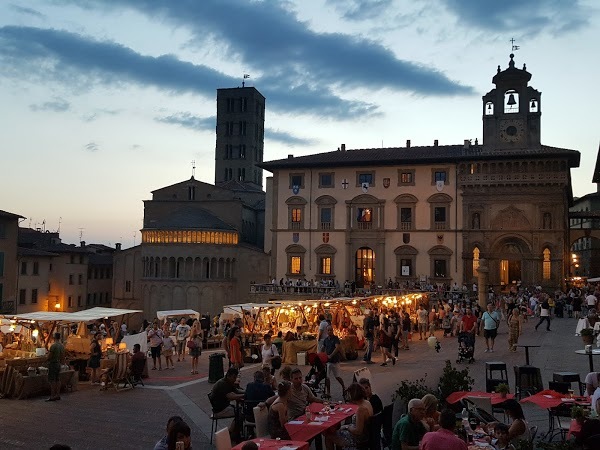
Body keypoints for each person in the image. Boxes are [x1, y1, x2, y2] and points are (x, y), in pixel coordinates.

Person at [324, 383, 373, 450]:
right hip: (367, 435)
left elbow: (358, 431)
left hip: (358, 440)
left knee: (328, 436)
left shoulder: (361, 409)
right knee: (339, 430)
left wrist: (348, 427)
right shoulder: (367, 402)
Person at [210, 367, 245, 435]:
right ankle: (232, 432)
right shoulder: (223, 383)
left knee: (240, 410)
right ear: (228, 375)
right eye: (234, 377)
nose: (235, 379)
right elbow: (230, 396)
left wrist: (246, 392)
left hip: (223, 406)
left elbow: (236, 391)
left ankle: (234, 431)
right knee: (241, 413)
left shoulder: (228, 381)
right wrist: (243, 395)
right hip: (220, 409)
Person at [323, 325, 346, 399]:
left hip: (335, 361)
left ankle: (343, 387)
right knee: (327, 377)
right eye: (328, 330)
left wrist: (331, 355)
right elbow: (323, 348)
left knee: (337, 376)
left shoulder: (335, 339)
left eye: (331, 330)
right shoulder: (326, 340)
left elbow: (337, 347)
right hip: (328, 362)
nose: (329, 332)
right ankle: (328, 392)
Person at [46, 332, 65, 402]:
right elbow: (63, 356)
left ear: (54, 338)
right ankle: (57, 394)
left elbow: (49, 356)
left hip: (53, 363)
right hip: (58, 364)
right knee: (57, 379)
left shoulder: (53, 346)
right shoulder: (61, 346)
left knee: (52, 380)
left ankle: (52, 395)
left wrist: (47, 358)